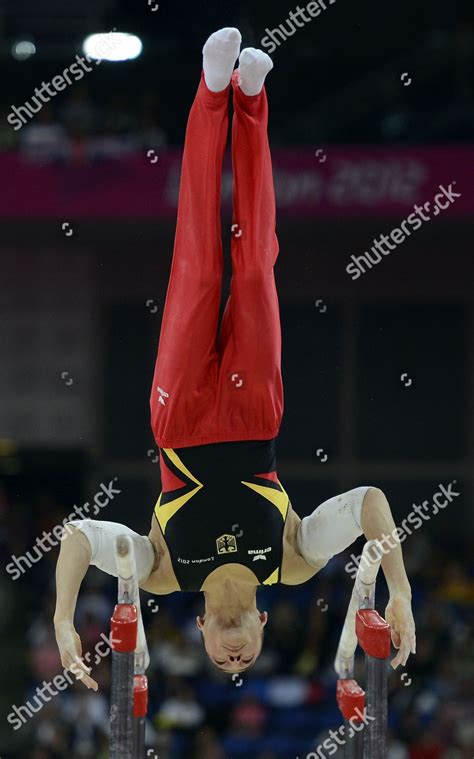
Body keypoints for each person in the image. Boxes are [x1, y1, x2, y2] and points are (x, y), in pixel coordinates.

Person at [54, 28, 416, 687]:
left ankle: (211, 90)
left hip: (181, 417)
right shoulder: (295, 560)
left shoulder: (163, 572)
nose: (232, 654)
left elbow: (78, 537)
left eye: (223, 658)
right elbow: (369, 502)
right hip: (255, 414)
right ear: (262, 628)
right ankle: (251, 97)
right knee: (251, 266)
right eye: (242, 655)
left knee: (197, 265)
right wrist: (400, 591)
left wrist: (61, 617)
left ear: (198, 629)